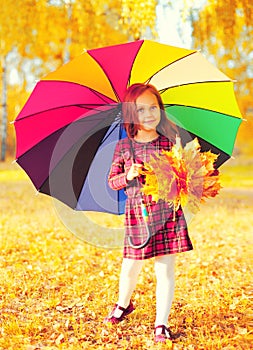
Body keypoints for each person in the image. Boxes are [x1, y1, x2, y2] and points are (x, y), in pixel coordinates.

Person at [104, 83, 193, 343]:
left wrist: (176, 171)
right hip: (137, 215)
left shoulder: (169, 143)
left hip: (166, 214)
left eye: (153, 107)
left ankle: (161, 323)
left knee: (164, 269)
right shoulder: (124, 147)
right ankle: (123, 304)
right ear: (132, 115)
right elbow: (112, 181)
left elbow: (183, 180)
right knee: (130, 266)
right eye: (141, 110)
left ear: (160, 110)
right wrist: (127, 175)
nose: (149, 114)